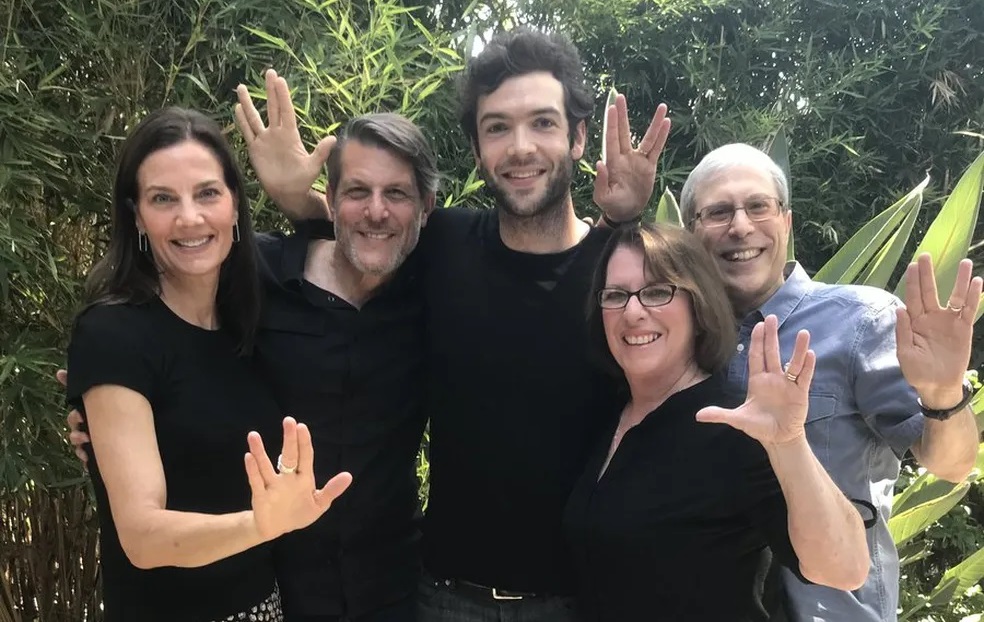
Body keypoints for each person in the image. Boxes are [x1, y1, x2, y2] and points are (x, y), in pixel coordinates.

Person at [235, 28, 671, 621]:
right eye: (497, 127)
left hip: (580, 601)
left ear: (578, 138)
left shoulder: (620, 280)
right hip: (442, 598)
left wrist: (623, 218)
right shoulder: (442, 246)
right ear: (476, 146)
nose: (520, 147)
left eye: (542, 123)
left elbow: (690, 375)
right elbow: (373, 230)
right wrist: (300, 200)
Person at [66, 96, 439, 621]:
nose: (190, 218)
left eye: (207, 194)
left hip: (383, 591)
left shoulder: (443, 284)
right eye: (163, 199)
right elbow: (142, 527)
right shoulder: (252, 287)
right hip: (276, 586)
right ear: (137, 214)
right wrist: (105, 412)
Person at [680, 143, 982, 621]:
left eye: (758, 206)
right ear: (690, 234)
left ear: (786, 221)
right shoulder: (676, 340)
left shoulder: (862, 321)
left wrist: (943, 393)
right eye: (717, 212)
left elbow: (952, 466)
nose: (740, 226)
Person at [564, 222, 869, 621]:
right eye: (616, 295)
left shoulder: (734, 427)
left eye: (657, 291)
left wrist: (788, 443)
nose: (633, 311)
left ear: (698, 304)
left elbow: (843, 568)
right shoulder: (609, 413)